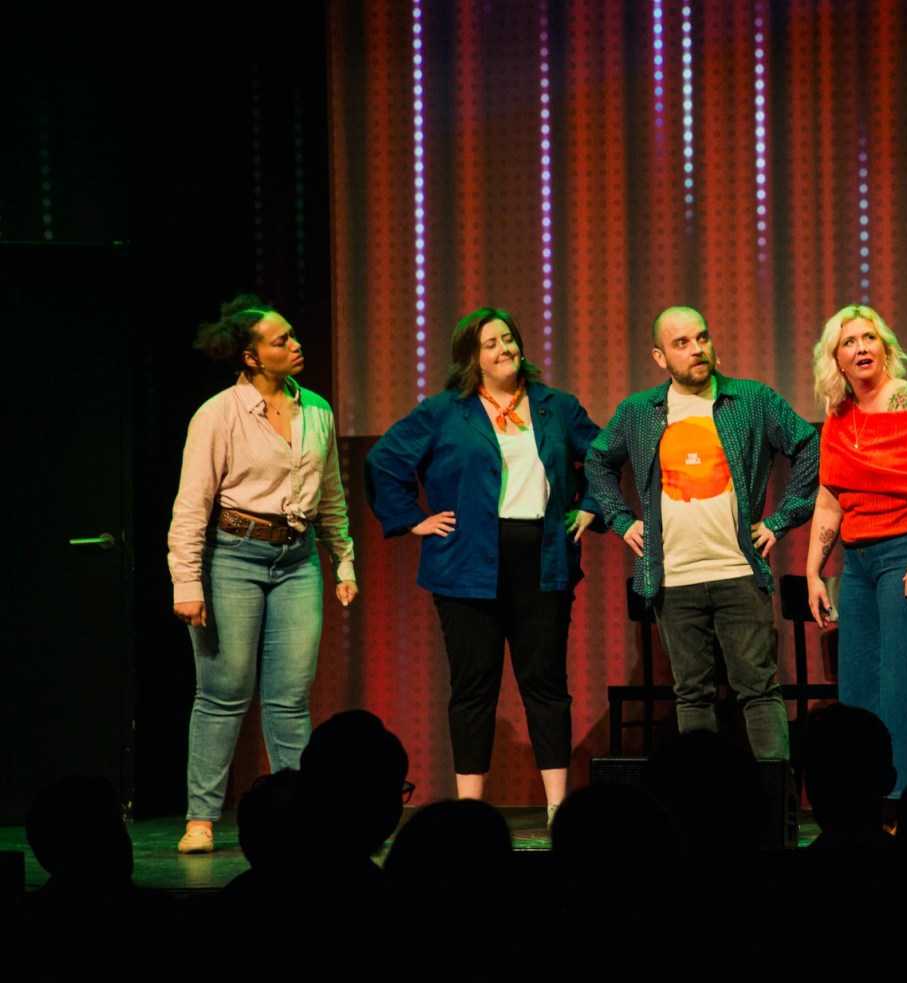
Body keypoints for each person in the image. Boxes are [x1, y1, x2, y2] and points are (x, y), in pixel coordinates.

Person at [365, 307, 600, 819]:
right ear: (472, 357)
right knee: (474, 687)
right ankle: (470, 809)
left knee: (546, 684)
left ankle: (558, 805)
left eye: (509, 338)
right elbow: (384, 459)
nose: (505, 349)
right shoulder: (445, 411)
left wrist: (591, 506)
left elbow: (604, 455)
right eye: (491, 343)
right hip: (467, 564)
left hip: (542, 558)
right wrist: (412, 519)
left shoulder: (556, 406)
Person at [167, 294, 357, 855]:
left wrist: (342, 559)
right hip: (233, 557)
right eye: (281, 341)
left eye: (293, 336)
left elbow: (331, 496)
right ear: (250, 357)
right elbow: (191, 505)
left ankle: (299, 811)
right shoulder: (218, 415)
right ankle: (201, 817)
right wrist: (187, 582)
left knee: (290, 696)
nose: (295, 346)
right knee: (223, 692)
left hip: (296, 561)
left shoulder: (316, 410)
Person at [585, 305, 818, 759]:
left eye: (702, 338)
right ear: (659, 357)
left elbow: (810, 445)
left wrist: (779, 520)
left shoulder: (751, 399)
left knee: (758, 689)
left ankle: (774, 812)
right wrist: (618, 518)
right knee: (691, 696)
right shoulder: (639, 411)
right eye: (682, 343)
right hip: (674, 577)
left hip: (738, 571)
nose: (697, 350)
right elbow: (597, 460)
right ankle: (702, 812)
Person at [804, 305, 907, 794]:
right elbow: (830, 502)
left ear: (886, 348)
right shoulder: (839, 416)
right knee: (859, 687)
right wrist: (814, 571)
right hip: (859, 558)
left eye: (869, 338)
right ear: (837, 359)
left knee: (905, 687)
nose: (861, 348)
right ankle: (865, 799)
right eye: (850, 342)